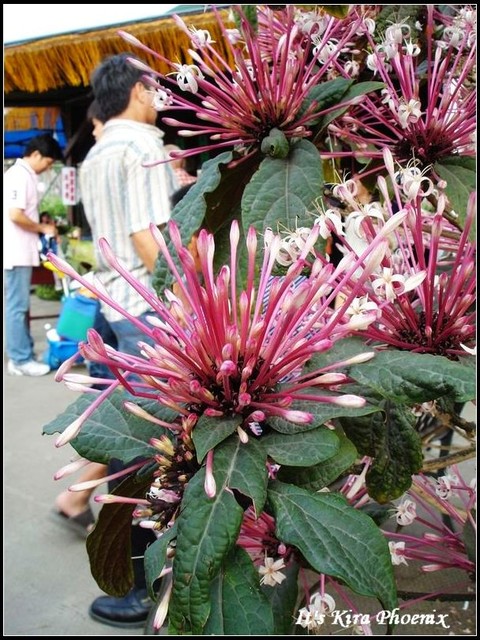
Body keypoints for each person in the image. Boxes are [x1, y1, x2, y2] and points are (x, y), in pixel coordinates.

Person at [78, 53, 178, 629]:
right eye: (156, 87)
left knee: (128, 438)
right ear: (140, 90)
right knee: (148, 448)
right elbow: (146, 236)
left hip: (114, 307)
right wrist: (185, 304)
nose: (161, 96)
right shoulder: (142, 144)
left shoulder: (96, 153)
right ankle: (144, 585)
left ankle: (134, 574)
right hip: (149, 311)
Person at [53, 99, 113, 537]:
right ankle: (75, 497)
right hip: (125, 303)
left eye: (94, 125)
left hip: (109, 296)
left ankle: (75, 497)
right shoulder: (119, 158)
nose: (92, 132)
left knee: (120, 407)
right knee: (130, 412)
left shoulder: (97, 164)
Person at [5, 133, 64, 376]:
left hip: (21, 251)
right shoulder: (19, 175)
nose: (47, 168)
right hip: (15, 252)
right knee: (17, 307)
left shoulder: (25, 175)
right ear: (37, 154)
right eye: (48, 162)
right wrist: (43, 228)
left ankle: (23, 353)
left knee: (19, 306)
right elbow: (15, 215)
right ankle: (20, 359)